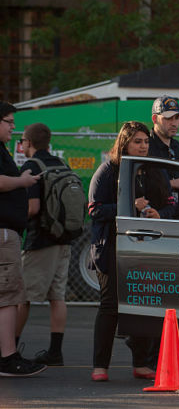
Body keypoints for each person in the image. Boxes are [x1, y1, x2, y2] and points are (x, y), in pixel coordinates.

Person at [88, 121, 174, 382]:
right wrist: (129, 206)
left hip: (146, 247)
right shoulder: (107, 170)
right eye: (138, 141)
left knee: (143, 305)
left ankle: (141, 364)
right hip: (111, 247)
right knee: (110, 306)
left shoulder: (154, 170)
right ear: (124, 143)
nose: (144, 146)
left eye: (146, 141)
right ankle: (100, 366)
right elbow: (94, 210)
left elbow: (171, 204)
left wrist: (158, 213)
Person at [14, 123, 72, 366]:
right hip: (64, 237)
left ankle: (10, 349)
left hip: (41, 241)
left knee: (22, 296)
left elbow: (33, 208)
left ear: (28, 142)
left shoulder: (31, 167)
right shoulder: (62, 164)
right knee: (57, 296)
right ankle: (55, 352)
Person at [0, 102, 46, 377]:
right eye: (8, 121)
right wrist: (23, 182)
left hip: (8, 232)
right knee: (6, 296)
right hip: (3, 233)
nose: (12, 126)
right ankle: (8, 357)